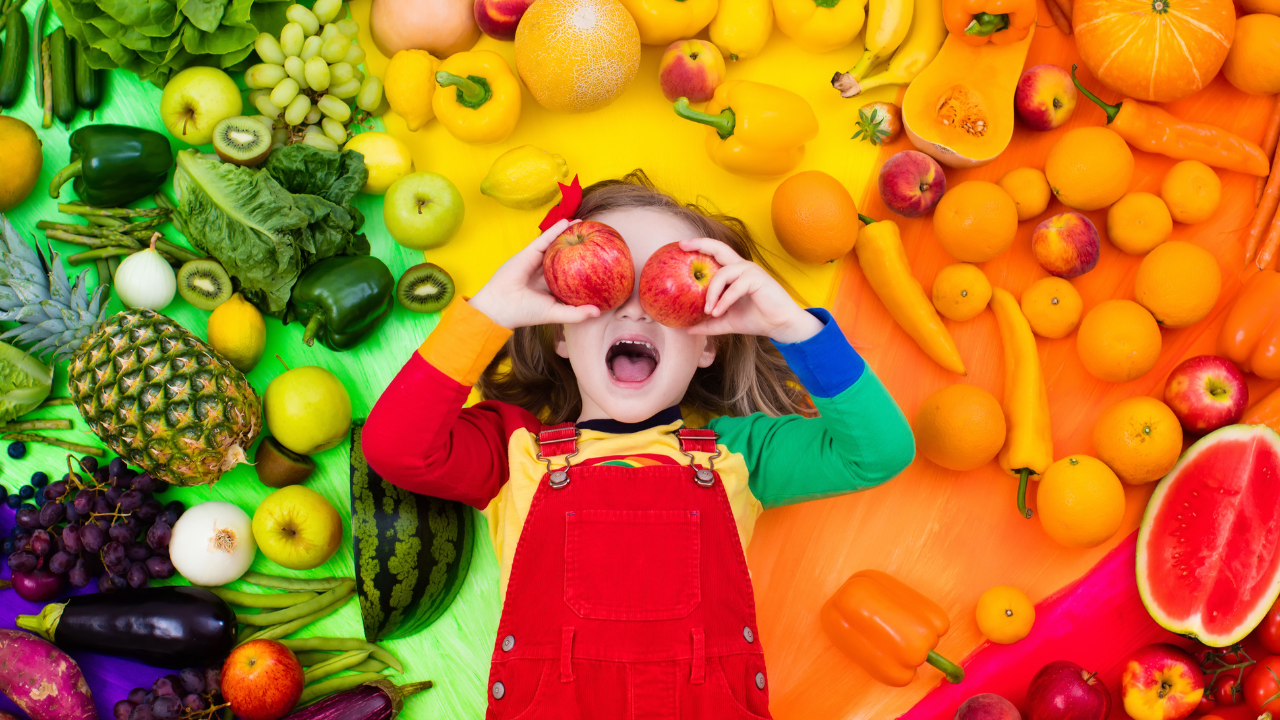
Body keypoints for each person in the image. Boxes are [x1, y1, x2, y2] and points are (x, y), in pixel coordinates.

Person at [363, 171, 915, 719]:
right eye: (606, 289)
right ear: (558, 331)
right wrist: (489, 315)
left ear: (708, 346)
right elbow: (394, 449)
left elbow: (878, 453)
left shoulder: (739, 455)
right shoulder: (515, 450)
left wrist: (791, 327)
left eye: (667, 289)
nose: (637, 308)